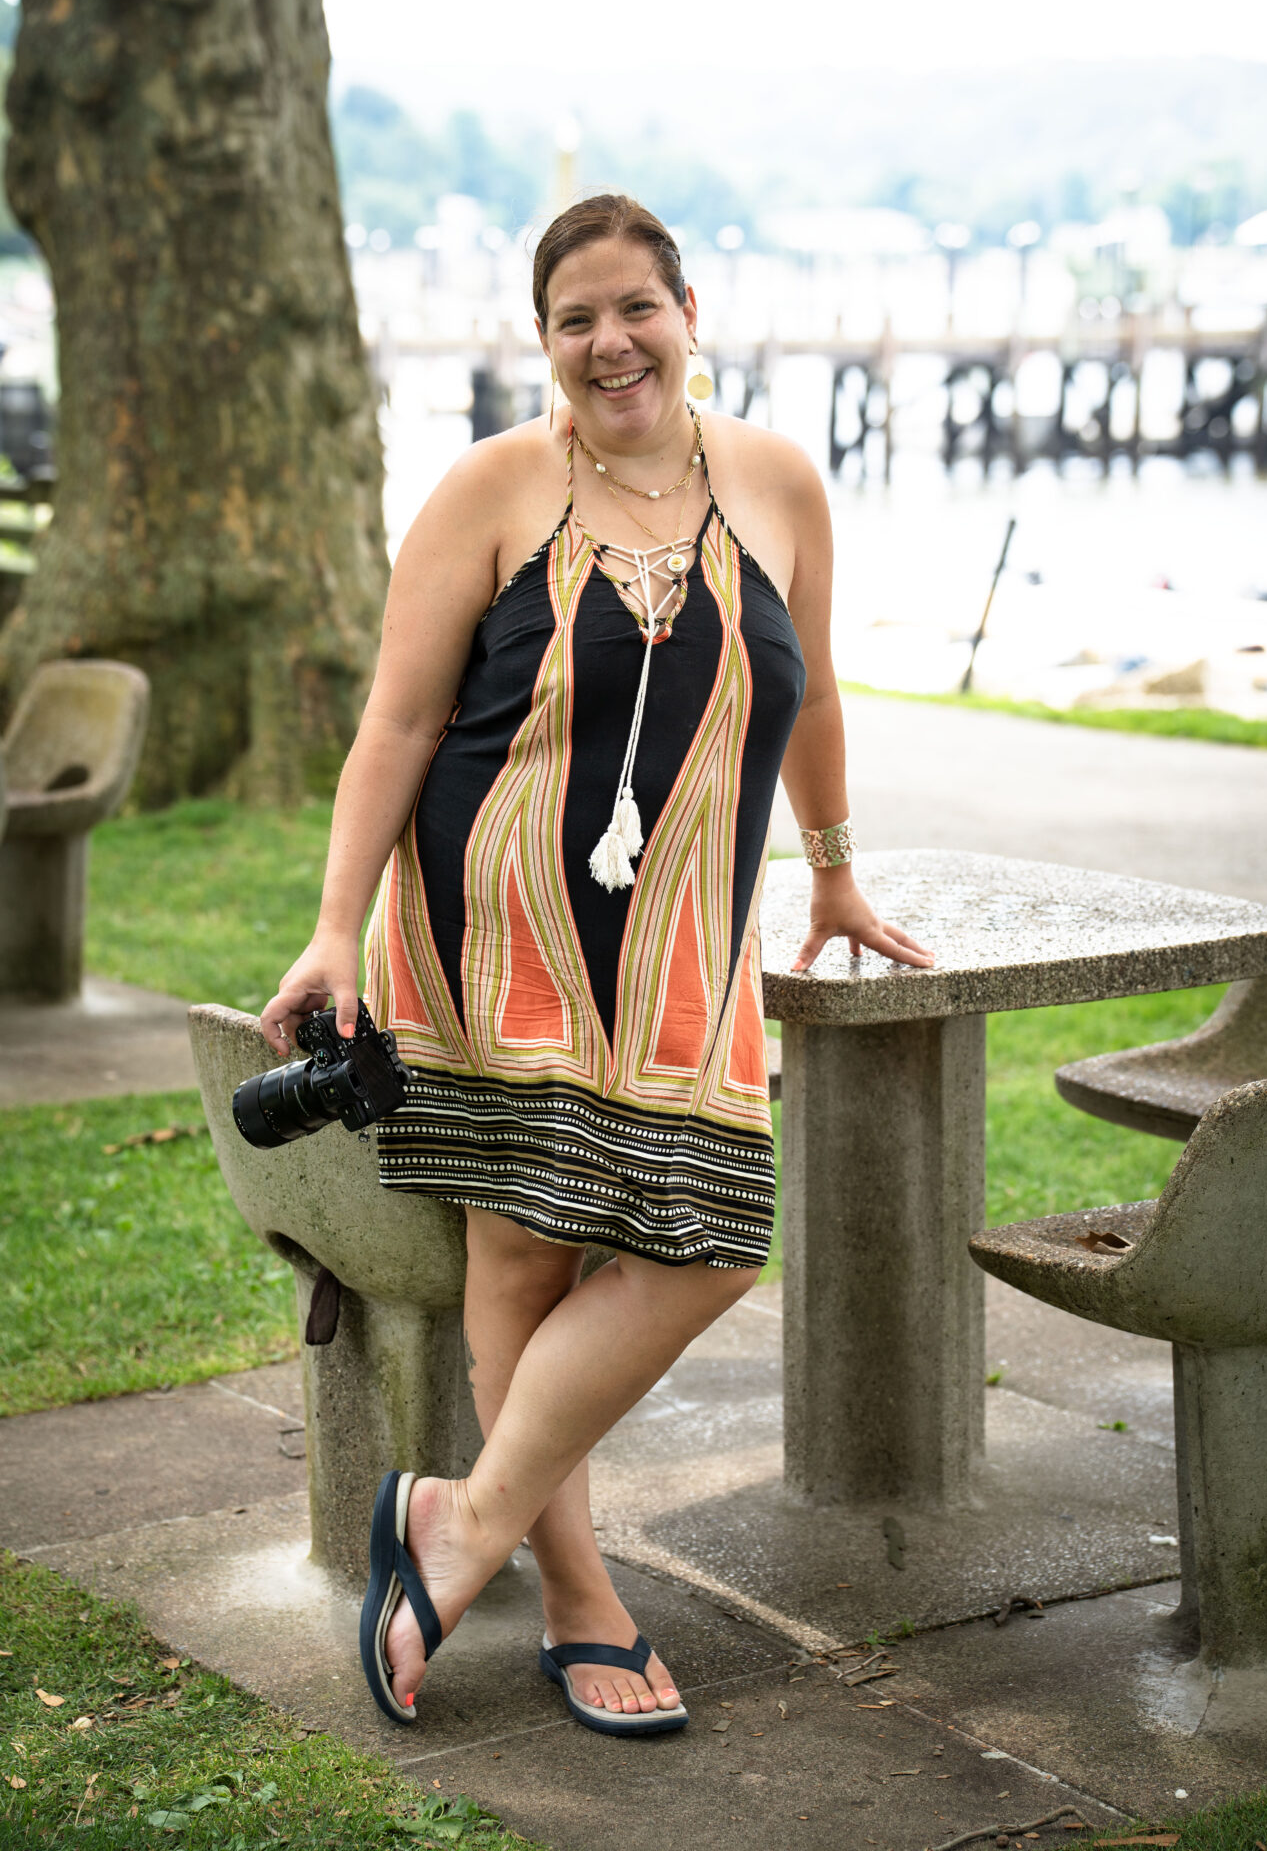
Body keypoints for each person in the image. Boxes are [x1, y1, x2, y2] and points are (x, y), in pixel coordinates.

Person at [260, 194, 932, 1738]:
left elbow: (810, 696)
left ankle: (458, 1521)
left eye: (635, 308)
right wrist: (332, 921)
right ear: (544, 341)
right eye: (575, 321)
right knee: (524, 1258)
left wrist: (831, 873)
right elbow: (399, 723)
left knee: (710, 1240)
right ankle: (573, 1593)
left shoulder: (775, 484)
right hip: (497, 919)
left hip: (689, 927)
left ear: (691, 311)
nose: (609, 342)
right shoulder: (495, 484)